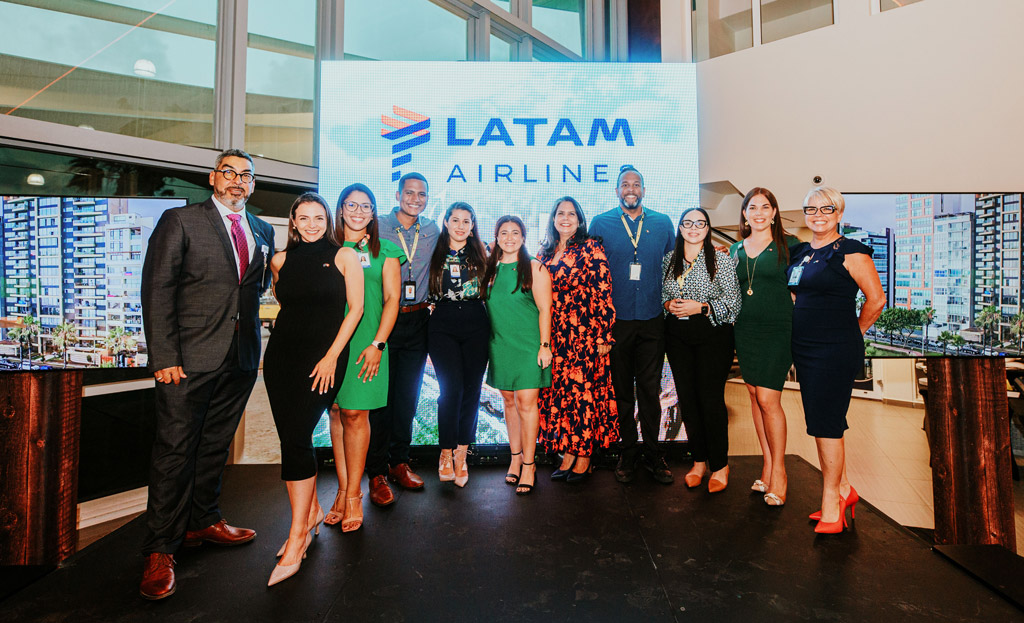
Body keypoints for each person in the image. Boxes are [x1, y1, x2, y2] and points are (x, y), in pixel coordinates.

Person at [139, 149, 275, 600]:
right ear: (213, 178)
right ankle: (160, 548)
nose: (237, 181)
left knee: (215, 446)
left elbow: (253, 290)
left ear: (252, 184)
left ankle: (203, 520)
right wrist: (164, 356)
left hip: (240, 358)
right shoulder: (180, 221)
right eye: (229, 173)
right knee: (174, 451)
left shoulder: (262, 230)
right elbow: (157, 289)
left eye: (246, 175)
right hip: (186, 360)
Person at [263, 193, 364, 585]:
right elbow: (285, 303)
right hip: (281, 359)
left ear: (328, 220)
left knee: (298, 436)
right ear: (293, 221)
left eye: (318, 217)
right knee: (291, 439)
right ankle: (310, 515)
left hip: (325, 361)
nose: (311, 224)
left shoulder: (345, 256)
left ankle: (297, 537)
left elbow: (355, 310)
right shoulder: (279, 261)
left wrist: (331, 356)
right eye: (303, 218)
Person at [787, 186, 884, 533]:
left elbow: (876, 300)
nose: (818, 215)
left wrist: (854, 332)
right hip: (805, 347)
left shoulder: (851, 251)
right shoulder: (801, 253)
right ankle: (844, 489)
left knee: (826, 422)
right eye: (811, 209)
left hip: (834, 348)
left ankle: (832, 502)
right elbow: (798, 296)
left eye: (826, 209)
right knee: (819, 420)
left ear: (839, 213)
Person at [589, 165, 676, 484]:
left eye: (636, 184)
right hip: (617, 322)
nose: (631, 189)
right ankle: (627, 452)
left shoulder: (663, 223)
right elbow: (591, 273)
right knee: (622, 391)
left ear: (643, 190)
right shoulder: (600, 223)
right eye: (625, 184)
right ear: (616, 191)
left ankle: (653, 453)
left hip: (653, 319)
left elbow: (674, 269)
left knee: (650, 391)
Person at [325, 184, 405, 531]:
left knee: (356, 414)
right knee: (337, 412)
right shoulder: (325, 247)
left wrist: (378, 344)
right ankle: (343, 491)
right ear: (340, 209)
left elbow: (392, 300)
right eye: (351, 205)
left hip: (367, 344)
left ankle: (355, 496)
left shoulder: (386, 251)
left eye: (366, 206)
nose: (358, 212)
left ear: (373, 213)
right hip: (330, 344)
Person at [366, 173, 440, 507]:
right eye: (409, 193)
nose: (415, 199)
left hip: (418, 319)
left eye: (421, 194)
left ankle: (399, 462)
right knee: (380, 399)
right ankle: (376, 472)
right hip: (384, 320)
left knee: (407, 397)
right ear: (397, 195)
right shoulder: (377, 226)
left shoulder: (432, 230)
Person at [538, 197, 619, 483]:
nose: (565, 218)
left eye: (571, 214)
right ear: (553, 218)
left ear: (580, 220)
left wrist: (604, 333)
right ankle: (569, 454)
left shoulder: (590, 248)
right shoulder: (545, 252)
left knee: (583, 396)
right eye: (560, 213)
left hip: (584, 335)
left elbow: (603, 290)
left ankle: (584, 457)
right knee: (563, 397)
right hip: (555, 336)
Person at [729, 188, 800, 506]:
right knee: (755, 397)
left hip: (778, 331)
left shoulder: (791, 245)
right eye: (752, 207)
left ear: (774, 212)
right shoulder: (735, 250)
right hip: (745, 331)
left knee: (769, 399)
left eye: (765, 207)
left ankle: (780, 473)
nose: (758, 212)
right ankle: (767, 466)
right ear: (744, 214)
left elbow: (805, 284)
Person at [662, 208, 741, 493]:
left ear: (707, 228)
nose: (693, 228)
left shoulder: (721, 260)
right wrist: (668, 304)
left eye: (700, 223)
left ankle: (719, 465)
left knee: (710, 400)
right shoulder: (669, 260)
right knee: (688, 399)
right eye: (688, 223)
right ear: (680, 228)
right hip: (677, 337)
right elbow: (662, 295)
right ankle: (698, 462)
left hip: (713, 335)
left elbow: (734, 303)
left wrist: (702, 307)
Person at [483, 216, 553, 495]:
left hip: (529, 346)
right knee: (509, 401)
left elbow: (545, 309)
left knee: (526, 403)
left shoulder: (535, 267)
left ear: (523, 237)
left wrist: (544, 346)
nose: (509, 238)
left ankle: (529, 464)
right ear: (497, 237)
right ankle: (514, 458)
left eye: (515, 233)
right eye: (504, 233)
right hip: (500, 345)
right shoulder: (489, 269)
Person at [427, 202, 489, 487]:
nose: (461, 226)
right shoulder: (434, 251)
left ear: (473, 225)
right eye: (456, 220)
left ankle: (462, 453)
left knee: (471, 391)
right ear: (446, 222)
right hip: (443, 324)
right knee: (450, 390)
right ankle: (445, 452)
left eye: (466, 221)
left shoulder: (483, 253)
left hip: (476, 323)